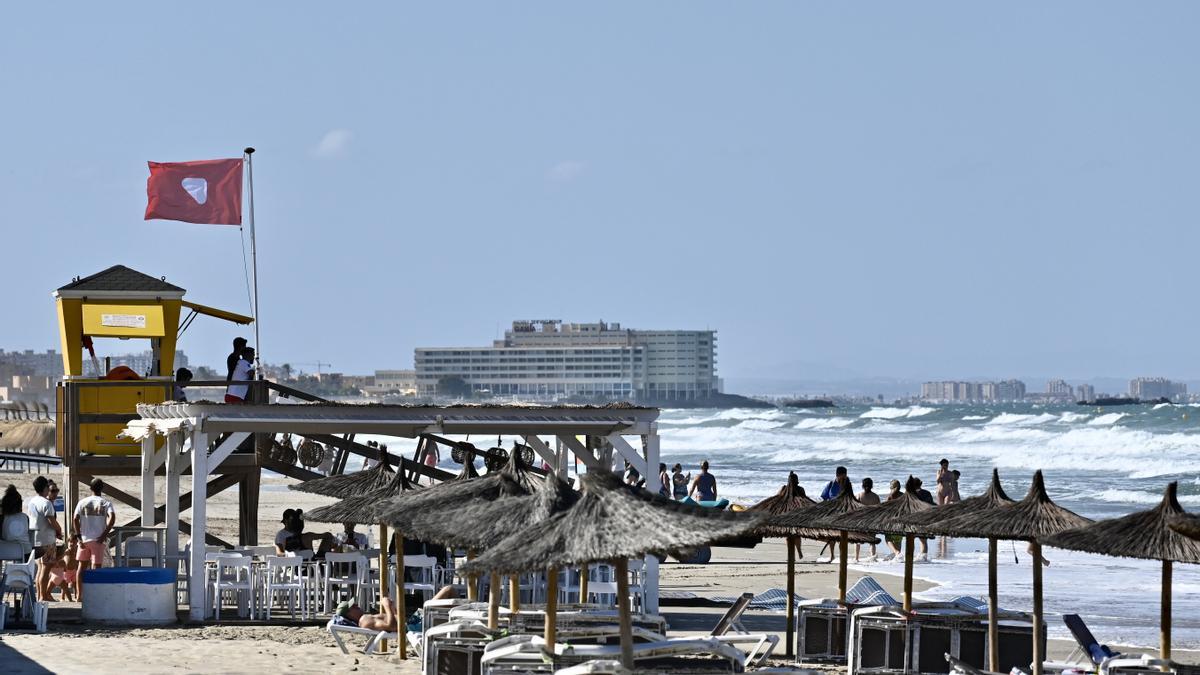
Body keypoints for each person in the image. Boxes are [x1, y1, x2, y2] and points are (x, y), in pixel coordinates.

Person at [74, 478, 115, 601]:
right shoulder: (105, 503)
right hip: (98, 539)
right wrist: (104, 534)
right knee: (96, 568)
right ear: (102, 489)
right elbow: (112, 518)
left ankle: (79, 595)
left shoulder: (82, 502)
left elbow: (75, 519)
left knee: (81, 567)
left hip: (84, 539)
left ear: (90, 488)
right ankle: (95, 594)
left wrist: (79, 537)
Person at [28, 475, 61, 601]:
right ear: (45, 488)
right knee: (46, 569)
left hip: (34, 539)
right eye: (48, 487)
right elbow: (51, 521)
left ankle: (40, 594)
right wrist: (59, 530)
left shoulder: (32, 501)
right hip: (46, 539)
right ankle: (43, 596)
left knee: (40, 569)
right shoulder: (46, 503)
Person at [855, 478, 880, 561]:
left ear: (862, 485)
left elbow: (855, 510)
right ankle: (873, 557)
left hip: (861, 521)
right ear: (872, 486)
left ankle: (856, 558)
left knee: (858, 541)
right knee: (872, 541)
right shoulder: (876, 497)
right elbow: (879, 510)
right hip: (872, 521)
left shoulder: (859, 496)